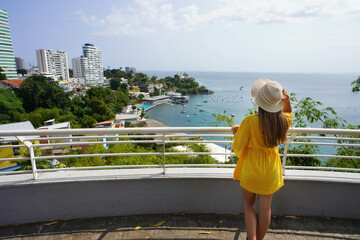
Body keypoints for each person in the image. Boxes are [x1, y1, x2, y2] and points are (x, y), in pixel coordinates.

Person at [231, 78, 292, 240]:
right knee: (265, 209)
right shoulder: (282, 122)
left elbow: (238, 147)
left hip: (251, 168)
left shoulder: (249, 122)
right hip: (270, 170)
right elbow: (288, 114)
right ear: (277, 102)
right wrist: (288, 100)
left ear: (259, 100)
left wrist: (236, 132)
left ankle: (251, 238)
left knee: (249, 205)